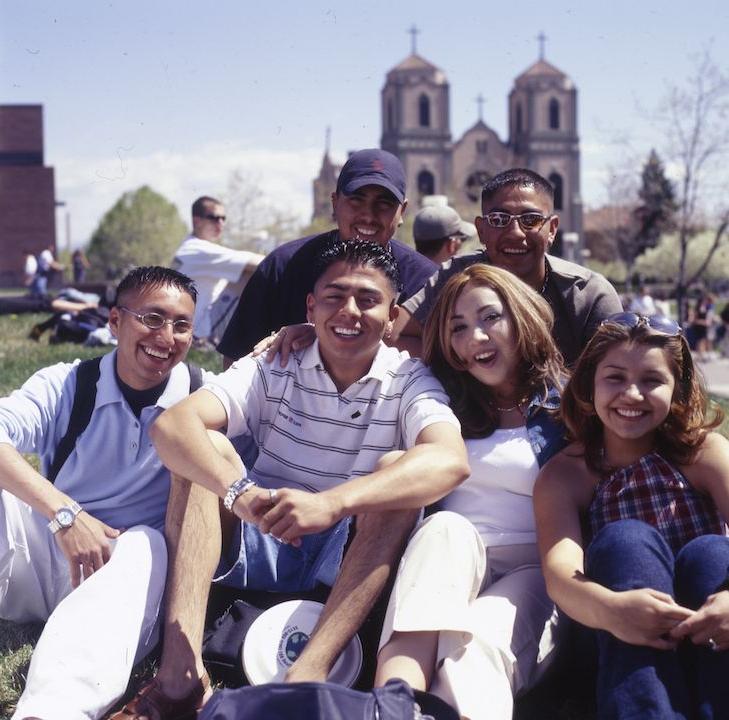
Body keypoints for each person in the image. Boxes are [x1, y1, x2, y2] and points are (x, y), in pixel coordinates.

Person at [112, 238, 468, 719]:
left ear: (391, 317)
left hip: (344, 549)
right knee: (205, 453)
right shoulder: (272, 363)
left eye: (368, 300)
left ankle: (306, 680)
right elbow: (173, 426)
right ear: (310, 306)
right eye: (334, 296)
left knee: (396, 475)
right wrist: (239, 494)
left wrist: (333, 504)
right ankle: (179, 680)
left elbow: (449, 460)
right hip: (261, 521)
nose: (349, 311)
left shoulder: (410, 379)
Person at [0, 266, 208, 720]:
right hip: (48, 553)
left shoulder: (200, 396)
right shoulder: (69, 384)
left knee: (148, 544)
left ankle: (54, 711)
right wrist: (65, 514)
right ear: (114, 323)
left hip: (123, 582)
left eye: (181, 325)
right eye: (152, 319)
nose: (166, 336)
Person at [375, 265, 567, 720]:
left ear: (522, 318)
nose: (474, 337)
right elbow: (368, 350)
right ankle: (392, 703)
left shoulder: (571, 405)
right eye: (457, 328)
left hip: (535, 569)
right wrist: (293, 333)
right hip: (452, 564)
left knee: (479, 637)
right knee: (444, 526)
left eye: (489, 318)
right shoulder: (441, 401)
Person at [534, 311, 729, 718]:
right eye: (616, 378)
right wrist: (613, 611)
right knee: (626, 540)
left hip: (708, 629)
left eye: (652, 381)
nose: (633, 395)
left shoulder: (703, 453)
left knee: (712, 552)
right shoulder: (567, 474)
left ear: (679, 389)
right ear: (589, 384)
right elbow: (560, 575)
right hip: (618, 636)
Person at [217, 148, 437, 365]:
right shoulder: (283, 267)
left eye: (384, 203)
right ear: (335, 203)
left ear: (403, 211)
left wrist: (327, 338)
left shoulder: (427, 281)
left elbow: (448, 360)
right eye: (356, 200)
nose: (369, 215)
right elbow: (235, 361)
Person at [393, 168, 622, 365]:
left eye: (530, 220)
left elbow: (616, 374)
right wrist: (457, 369)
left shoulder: (588, 295)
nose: (515, 233)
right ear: (481, 230)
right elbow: (396, 335)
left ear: (551, 229)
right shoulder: (455, 277)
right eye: (499, 220)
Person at [173, 196, 263, 346]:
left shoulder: (189, 246)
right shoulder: (199, 249)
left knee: (241, 273)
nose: (220, 223)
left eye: (223, 218)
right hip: (200, 331)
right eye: (214, 218)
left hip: (189, 326)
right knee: (248, 275)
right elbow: (260, 262)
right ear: (197, 221)